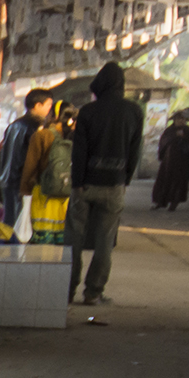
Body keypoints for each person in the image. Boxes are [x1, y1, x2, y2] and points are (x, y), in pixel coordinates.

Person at [65, 62, 143, 305]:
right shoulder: (134, 111)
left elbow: (79, 151)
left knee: (74, 239)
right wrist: (125, 179)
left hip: (85, 185)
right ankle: (93, 292)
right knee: (105, 241)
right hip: (114, 185)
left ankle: (66, 290)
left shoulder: (88, 111)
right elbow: (135, 150)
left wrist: (78, 182)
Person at [0, 89, 55, 227]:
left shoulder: (14, 125)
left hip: (6, 178)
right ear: (38, 105)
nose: (50, 108)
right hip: (21, 180)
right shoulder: (37, 127)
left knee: (9, 221)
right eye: (48, 105)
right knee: (21, 223)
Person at [20, 104, 73, 244]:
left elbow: (30, 165)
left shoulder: (42, 135)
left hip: (43, 194)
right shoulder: (75, 136)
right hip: (66, 195)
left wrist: (25, 189)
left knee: (40, 246)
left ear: (54, 116)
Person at [151, 111, 189, 211]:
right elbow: (163, 142)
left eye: (183, 119)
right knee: (164, 182)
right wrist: (175, 136)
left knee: (178, 183)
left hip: (183, 162)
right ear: (174, 120)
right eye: (179, 119)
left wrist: (184, 137)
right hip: (168, 162)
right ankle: (160, 202)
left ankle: (174, 203)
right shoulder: (169, 131)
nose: (181, 121)